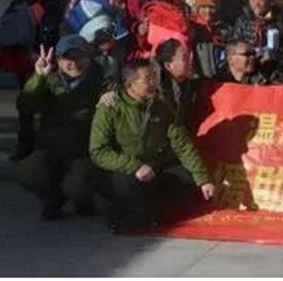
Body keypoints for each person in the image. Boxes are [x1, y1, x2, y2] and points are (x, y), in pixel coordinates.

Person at [90, 60, 215, 232]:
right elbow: (98, 152)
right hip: (119, 172)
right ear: (131, 84)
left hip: (152, 170)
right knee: (132, 209)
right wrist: (134, 166)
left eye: (154, 78)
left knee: (184, 195)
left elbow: (182, 144)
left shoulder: (161, 108)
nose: (153, 83)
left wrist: (203, 179)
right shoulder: (110, 107)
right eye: (147, 79)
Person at [15, 36, 109, 220]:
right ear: (58, 60)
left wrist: (110, 95)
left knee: (78, 184)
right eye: (68, 58)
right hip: (52, 150)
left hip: (84, 153)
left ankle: (83, 201)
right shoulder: (49, 81)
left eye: (79, 57)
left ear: (89, 58)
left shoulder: (101, 81)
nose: (74, 64)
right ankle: (53, 199)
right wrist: (39, 77)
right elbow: (26, 105)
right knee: (28, 171)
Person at [0, 0, 66, 161]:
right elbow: (12, 23)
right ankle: (25, 143)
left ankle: (48, 144)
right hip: (29, 57)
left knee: (52, 102)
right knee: (27, 101)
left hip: (55, 56)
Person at [230, 0, 283, 77]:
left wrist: (272, 55)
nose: (257, 3)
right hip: (248, 65)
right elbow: (235, 43)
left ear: (269, 0)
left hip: (273, 66)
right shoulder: (242, 20)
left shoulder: (279, 20)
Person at [154, 39, 211, 134]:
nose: (190, 61)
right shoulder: (158, 94)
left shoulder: (191, 84)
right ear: (169, 65)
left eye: (189, 56)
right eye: (184, 58)